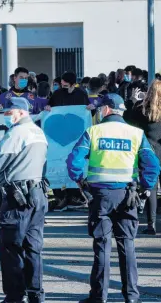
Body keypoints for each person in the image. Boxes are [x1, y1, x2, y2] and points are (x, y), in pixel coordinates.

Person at [66, 93, 160, 303]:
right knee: (127, 245)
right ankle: (132, 296)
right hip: (128, 195)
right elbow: (153, 164)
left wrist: (81, 182)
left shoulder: (94, 131)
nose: (98, 112)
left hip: (100, 196)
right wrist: (145, 188)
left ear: (106, 110)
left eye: (100, 108)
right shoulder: (136, 134)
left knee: (102, 245)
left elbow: (74, 160)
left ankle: (99, 296)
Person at [0, 97, 49, 303]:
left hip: (17, 197)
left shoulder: (16, 133)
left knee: (11, 245)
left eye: (8, 113)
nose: (6, 116)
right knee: (33, 246)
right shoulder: (39, 132)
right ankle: (35, 293)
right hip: (38, 193)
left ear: (20, 112)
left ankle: (14, 295)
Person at [46, 71, 92, 212]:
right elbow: (49, 106)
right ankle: (61, 197)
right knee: (58, 164)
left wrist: (90, 110)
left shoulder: (81, 94)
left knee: (74, 163)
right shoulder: (57, 94)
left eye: (66, 85)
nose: (63, 87)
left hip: (76, 136)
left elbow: (87, 114)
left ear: (73, 84)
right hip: (58, 136)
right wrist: (48, 108)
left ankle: (75, 196)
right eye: (61, 85)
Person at [127, 80, 161, 235]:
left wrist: (133, 101)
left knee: (150, 188)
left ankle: (151, 224)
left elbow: (127, 118)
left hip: (149, 153)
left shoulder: (141, 109)